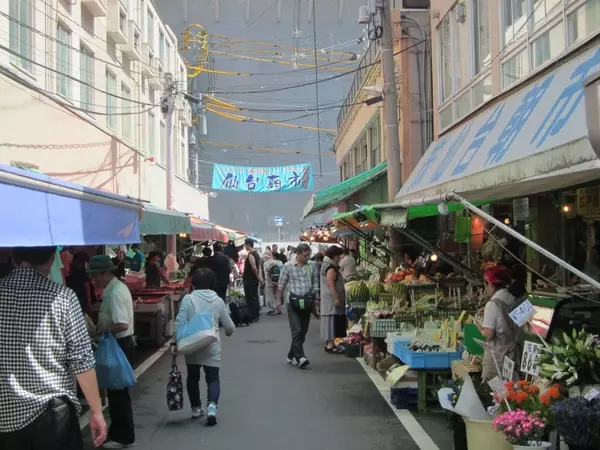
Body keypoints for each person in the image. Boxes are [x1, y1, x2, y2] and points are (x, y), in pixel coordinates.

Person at [0, 247, 107, 449]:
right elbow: (82, 361)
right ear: (51, 260)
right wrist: (96, 411)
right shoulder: (64, 297)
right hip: (53, 418)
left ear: (13, 258)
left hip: (5, 418)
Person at [172, 268, 235, 426]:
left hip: (192, 345)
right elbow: (229, 326)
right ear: (212, 284)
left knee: (193, 377)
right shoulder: (218, 301)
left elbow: (179, 323)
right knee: (213, 378)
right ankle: (212, 406)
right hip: (212, 346)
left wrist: (174, 342)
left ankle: (196, 408)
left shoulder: (188, 299)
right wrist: (228, 332)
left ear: (194, 284)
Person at [89, 255, 136, 448]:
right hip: (121, 344)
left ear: (106, 273)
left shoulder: (114, 293)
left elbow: (121, 324)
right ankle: (117, 433)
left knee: (118, 394)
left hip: (119, 345)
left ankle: (123, 436)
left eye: (95, 276)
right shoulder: (116, 288)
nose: (94, 280)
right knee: (116, 393)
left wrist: (100, 330)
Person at [277, 243, 320, 369]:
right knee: (297, 330)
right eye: (305, 255)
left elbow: (315, 283)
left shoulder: (312, 265)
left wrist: (316, 300)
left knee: (303, 332)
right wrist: (278, 301)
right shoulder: (288, 266)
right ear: (298, 254)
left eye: (309, 255)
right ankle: (301, 357)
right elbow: (281, 284)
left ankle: (291, 355)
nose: (308, 257)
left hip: (307, 303)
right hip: (293, 303)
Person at [479, 265, 524, 381]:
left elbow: (489, 335)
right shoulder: (516, 299)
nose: (485, 289)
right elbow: (525, 326)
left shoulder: (492, 304)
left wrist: (480, 327)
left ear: (490, 284)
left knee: (494, 389)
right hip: (514, 355)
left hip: (497, 357)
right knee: (511, 388)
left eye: (485, 285)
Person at [320, 246, 346, 353]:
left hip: (327, 299)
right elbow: (330, 282)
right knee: (331, 321)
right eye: (338, 256)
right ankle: (331, 345)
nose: (339, 258)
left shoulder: (326, 264)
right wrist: (336, 298)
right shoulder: (330, 267)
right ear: (334, 256)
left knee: (329, 321)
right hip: (330, 300)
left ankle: (329, 344)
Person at [66, 251, 96, 316]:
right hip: (81, 304)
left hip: (77, 305)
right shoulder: (84, 278)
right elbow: (88, 295)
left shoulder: (68, 278)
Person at [243, 238, 263, 321]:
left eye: (245, 245)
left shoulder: (251, 254)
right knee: (255, 297)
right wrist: (259, 276)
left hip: (250, 279)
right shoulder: (257, 254)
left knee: (250, 298)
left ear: (248, 245)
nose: (244, 246)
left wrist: (257, 276)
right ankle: (256, 314)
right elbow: (259, 267)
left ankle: (253, 315)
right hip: (254, 279)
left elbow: (254, 267)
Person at [262, 250, 283, 315]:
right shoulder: (276, 262)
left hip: (269, 281)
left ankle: (272, 309)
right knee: (276, 294)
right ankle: (278, 309)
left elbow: (266, 274)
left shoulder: (265, 263)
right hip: (277, 280)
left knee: (270, 295)